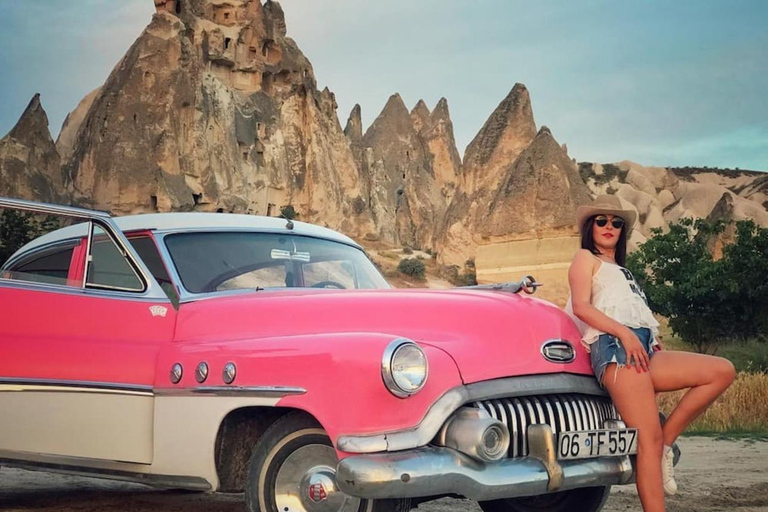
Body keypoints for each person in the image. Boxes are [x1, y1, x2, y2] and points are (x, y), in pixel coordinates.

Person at [566, 195, 735, 512]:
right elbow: (582, 307)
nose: (609, 226)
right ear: (590, 226)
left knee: (721, 371)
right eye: (601, 220)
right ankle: (658, 455)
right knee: (647, 440)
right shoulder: (585, 259)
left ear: (622, 231)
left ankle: (666, 444)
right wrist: (625, 333)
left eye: (616, 223)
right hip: (616, 348)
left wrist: (650, 340)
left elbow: (634, 314)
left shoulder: (623, 270)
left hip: (641, 349)